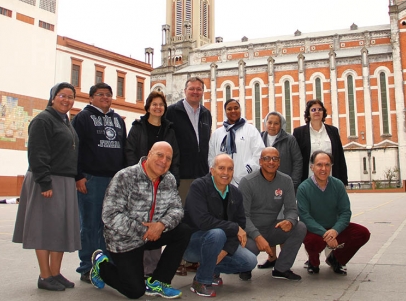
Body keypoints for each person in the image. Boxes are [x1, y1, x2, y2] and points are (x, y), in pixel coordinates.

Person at [90, 142, 191, 299]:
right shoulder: (125, 176)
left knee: (183, 231)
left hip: (153, 233)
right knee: (135, 291)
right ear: (149, 154)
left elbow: (177, 209)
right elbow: (110, 215)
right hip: (124, 239)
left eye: (168, 158)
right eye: (160, 155)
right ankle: (101, 266)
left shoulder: (169, 179)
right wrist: (144, 231)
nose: (164, 161)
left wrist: (161, 225)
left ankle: (158, 281)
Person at [13, 82, 81, 291]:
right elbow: (37, 153)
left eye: (70, 97)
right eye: (62, 95)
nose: (66, 100)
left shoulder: (65, 121)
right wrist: (44, 182)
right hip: (48, 180)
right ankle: (44, 275)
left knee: (59, 229)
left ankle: (55, 273)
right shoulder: (43, 120)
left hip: (65, 181)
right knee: (44, 229)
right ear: (53, 98)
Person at [72, 82, 127, 283]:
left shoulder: (118, 120)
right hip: (91, 179)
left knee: (110, 225)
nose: (105, 97)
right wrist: (78, 176)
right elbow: (74, 148)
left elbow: (123, 150)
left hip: (114, 181)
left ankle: (107, 266)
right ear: (91, 98)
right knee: (89, 225)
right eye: (100, 94)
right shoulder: (83, 118)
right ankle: (87, 266)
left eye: (108, 94)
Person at [183, 154, 257, 297]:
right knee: (217, 233)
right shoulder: (199, 186)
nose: (226, 173)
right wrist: (234, 228)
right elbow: (203, 221)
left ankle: (210, 270)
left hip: (220, 243)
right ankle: (201, 281)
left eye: (230, 169)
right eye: (221, 168)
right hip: (192, 245)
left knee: (250, 261)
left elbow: (241, 224)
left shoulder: (235, 193)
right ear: (212, 170)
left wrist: (225, 250)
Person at [125, 91, 180, 277]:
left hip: (161, 184)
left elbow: (175, 157)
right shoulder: (137, 128)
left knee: (156, 222)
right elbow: (130, 152)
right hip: (139, 183)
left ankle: (152, 270)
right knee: (139, 222)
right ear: (148, 107)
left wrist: (174, 180)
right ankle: (134, 267)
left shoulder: (169, 130)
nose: (158, 107)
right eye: (154, 104)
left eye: (161, 105)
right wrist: (136, 177)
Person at [297, 150, 371, 275]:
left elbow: (345, 212)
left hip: (334, 228)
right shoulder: (303, 188)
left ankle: (336, 259)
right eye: (319, 165)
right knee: (313, 242)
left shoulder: (337, 184)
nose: (323, 169)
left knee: (362, 233)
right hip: (315, 230)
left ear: (331, 167)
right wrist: (325, 233)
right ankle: (313, 262)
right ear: (312, 167)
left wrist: (335, 230)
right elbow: (305, 217)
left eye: (327, 165)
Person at [238, 147, 306, 281]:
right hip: (250, 233)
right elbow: (242, 217)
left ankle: (281, 269)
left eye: (275, 158)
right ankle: (244, 267)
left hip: (272, 229)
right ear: (260, 162)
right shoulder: (247, 182)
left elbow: (292, 209)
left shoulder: (286, 181)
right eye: (267, 158)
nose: (271, 162)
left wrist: (290, 221)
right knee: (249, 254)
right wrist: (257, 237)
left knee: (300, 227)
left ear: (279, 162)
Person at [165, 77, 212, 202]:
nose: (195, 92)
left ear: (202, 92)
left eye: (199, 89)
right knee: (182, 212)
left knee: (200, 213)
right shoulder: (171, 112)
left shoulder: (206, 114)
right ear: (185, 91)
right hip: (181, 175)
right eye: (191, 89)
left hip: (202, 174)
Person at [208, 99, 264, 186]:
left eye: (236, 108)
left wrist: (246, 170)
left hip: (246, 180)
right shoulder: (217, 134)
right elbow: (211, 157)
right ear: (225, 112)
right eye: (229, 109)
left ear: (240, 110)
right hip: (222, 180)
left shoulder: (251, 130)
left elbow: (259, 154)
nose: (233, 111)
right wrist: (217, 173)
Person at [293, 99, 348, 186]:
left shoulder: (333, 131)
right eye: (313, 110)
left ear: (323, 113)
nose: (317, 112)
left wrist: (343, 181)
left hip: (331, 180)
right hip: (308, 180)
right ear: (308, 114)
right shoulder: (299, 132)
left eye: (320, 109)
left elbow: (340, 157)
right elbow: (296, 159)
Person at [261, 111, 302, 193]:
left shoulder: (289, 140)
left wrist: (292, 184)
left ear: (281, 125)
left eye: (276, 123)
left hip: (284, 186)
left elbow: (298, 161)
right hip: (262, 185)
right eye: (270, 122)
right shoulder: (259, 138)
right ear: (266, 123)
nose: (272, 126)